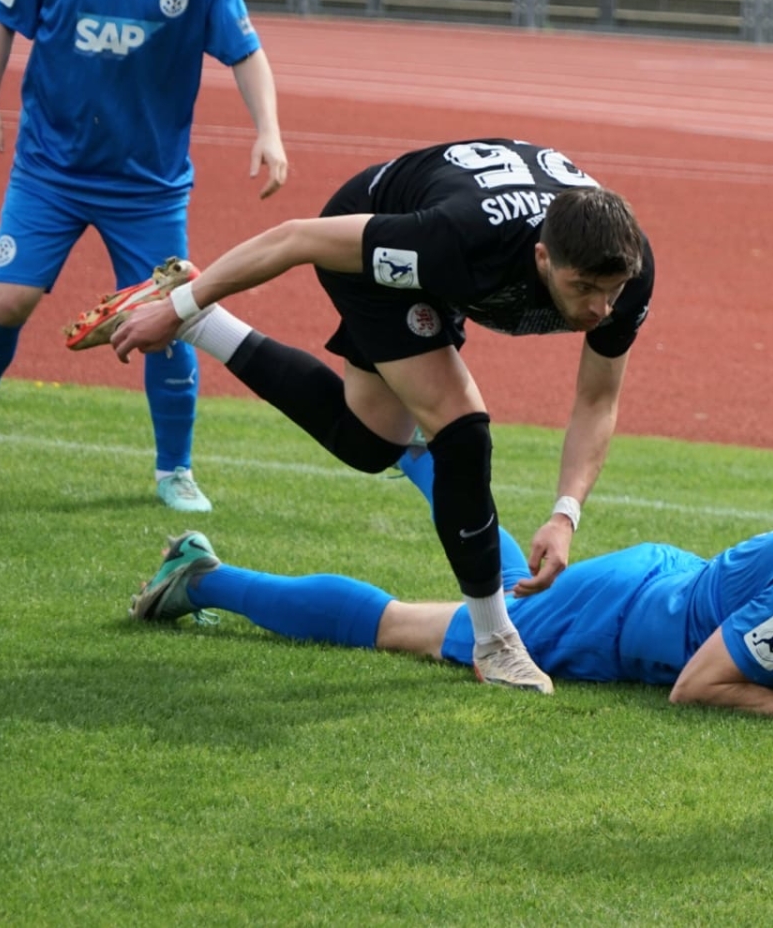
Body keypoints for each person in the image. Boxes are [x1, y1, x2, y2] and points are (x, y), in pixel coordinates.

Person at [92, 137, 654, 697]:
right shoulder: (455, 240)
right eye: (582, 288)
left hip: (448, 257)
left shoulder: (626, 267)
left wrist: (564, 514)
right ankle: (494, 641)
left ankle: (205, 324)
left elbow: (596, 400)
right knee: (462, 433)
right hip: (380, 226)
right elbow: (296, 237)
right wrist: (176, 306)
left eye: (612, 291)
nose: (598, 310)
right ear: (542, 258)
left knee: (369, 443)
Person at [0, 0, 289, 512]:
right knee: (8, 299)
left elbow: (247, 52)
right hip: (51, 169)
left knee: (171, 319)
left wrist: (269, 130)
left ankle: (174, 470)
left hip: (148, 185)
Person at [129, 495, 773, 726]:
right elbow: (697, 689)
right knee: (413, 627)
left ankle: (437, 461)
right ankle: (203, 576)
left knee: (502, 589)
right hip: (619, 616)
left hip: (660, 577)